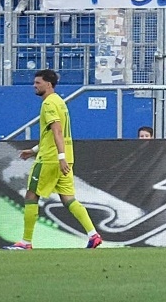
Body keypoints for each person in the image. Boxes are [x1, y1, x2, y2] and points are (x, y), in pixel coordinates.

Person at [8, 69, 106, 250]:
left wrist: (59, 158)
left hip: (51, 160)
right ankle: (93, 235)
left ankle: (26, 242)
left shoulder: (49, 104)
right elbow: (50, 135)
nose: (34, 86)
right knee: (69, 199)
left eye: (38, 83)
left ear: (48, 84)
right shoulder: (60, 102)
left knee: (31, 195)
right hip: (65, 157)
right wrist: (34, 150)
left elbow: (57, 132)